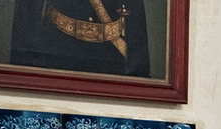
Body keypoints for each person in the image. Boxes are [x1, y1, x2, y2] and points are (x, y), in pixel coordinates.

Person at [8, 0, 152, 79]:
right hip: (58, 50)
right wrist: (24, 62)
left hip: (110, 55)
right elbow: (29, 8)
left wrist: (138, 67)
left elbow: (134, 10)